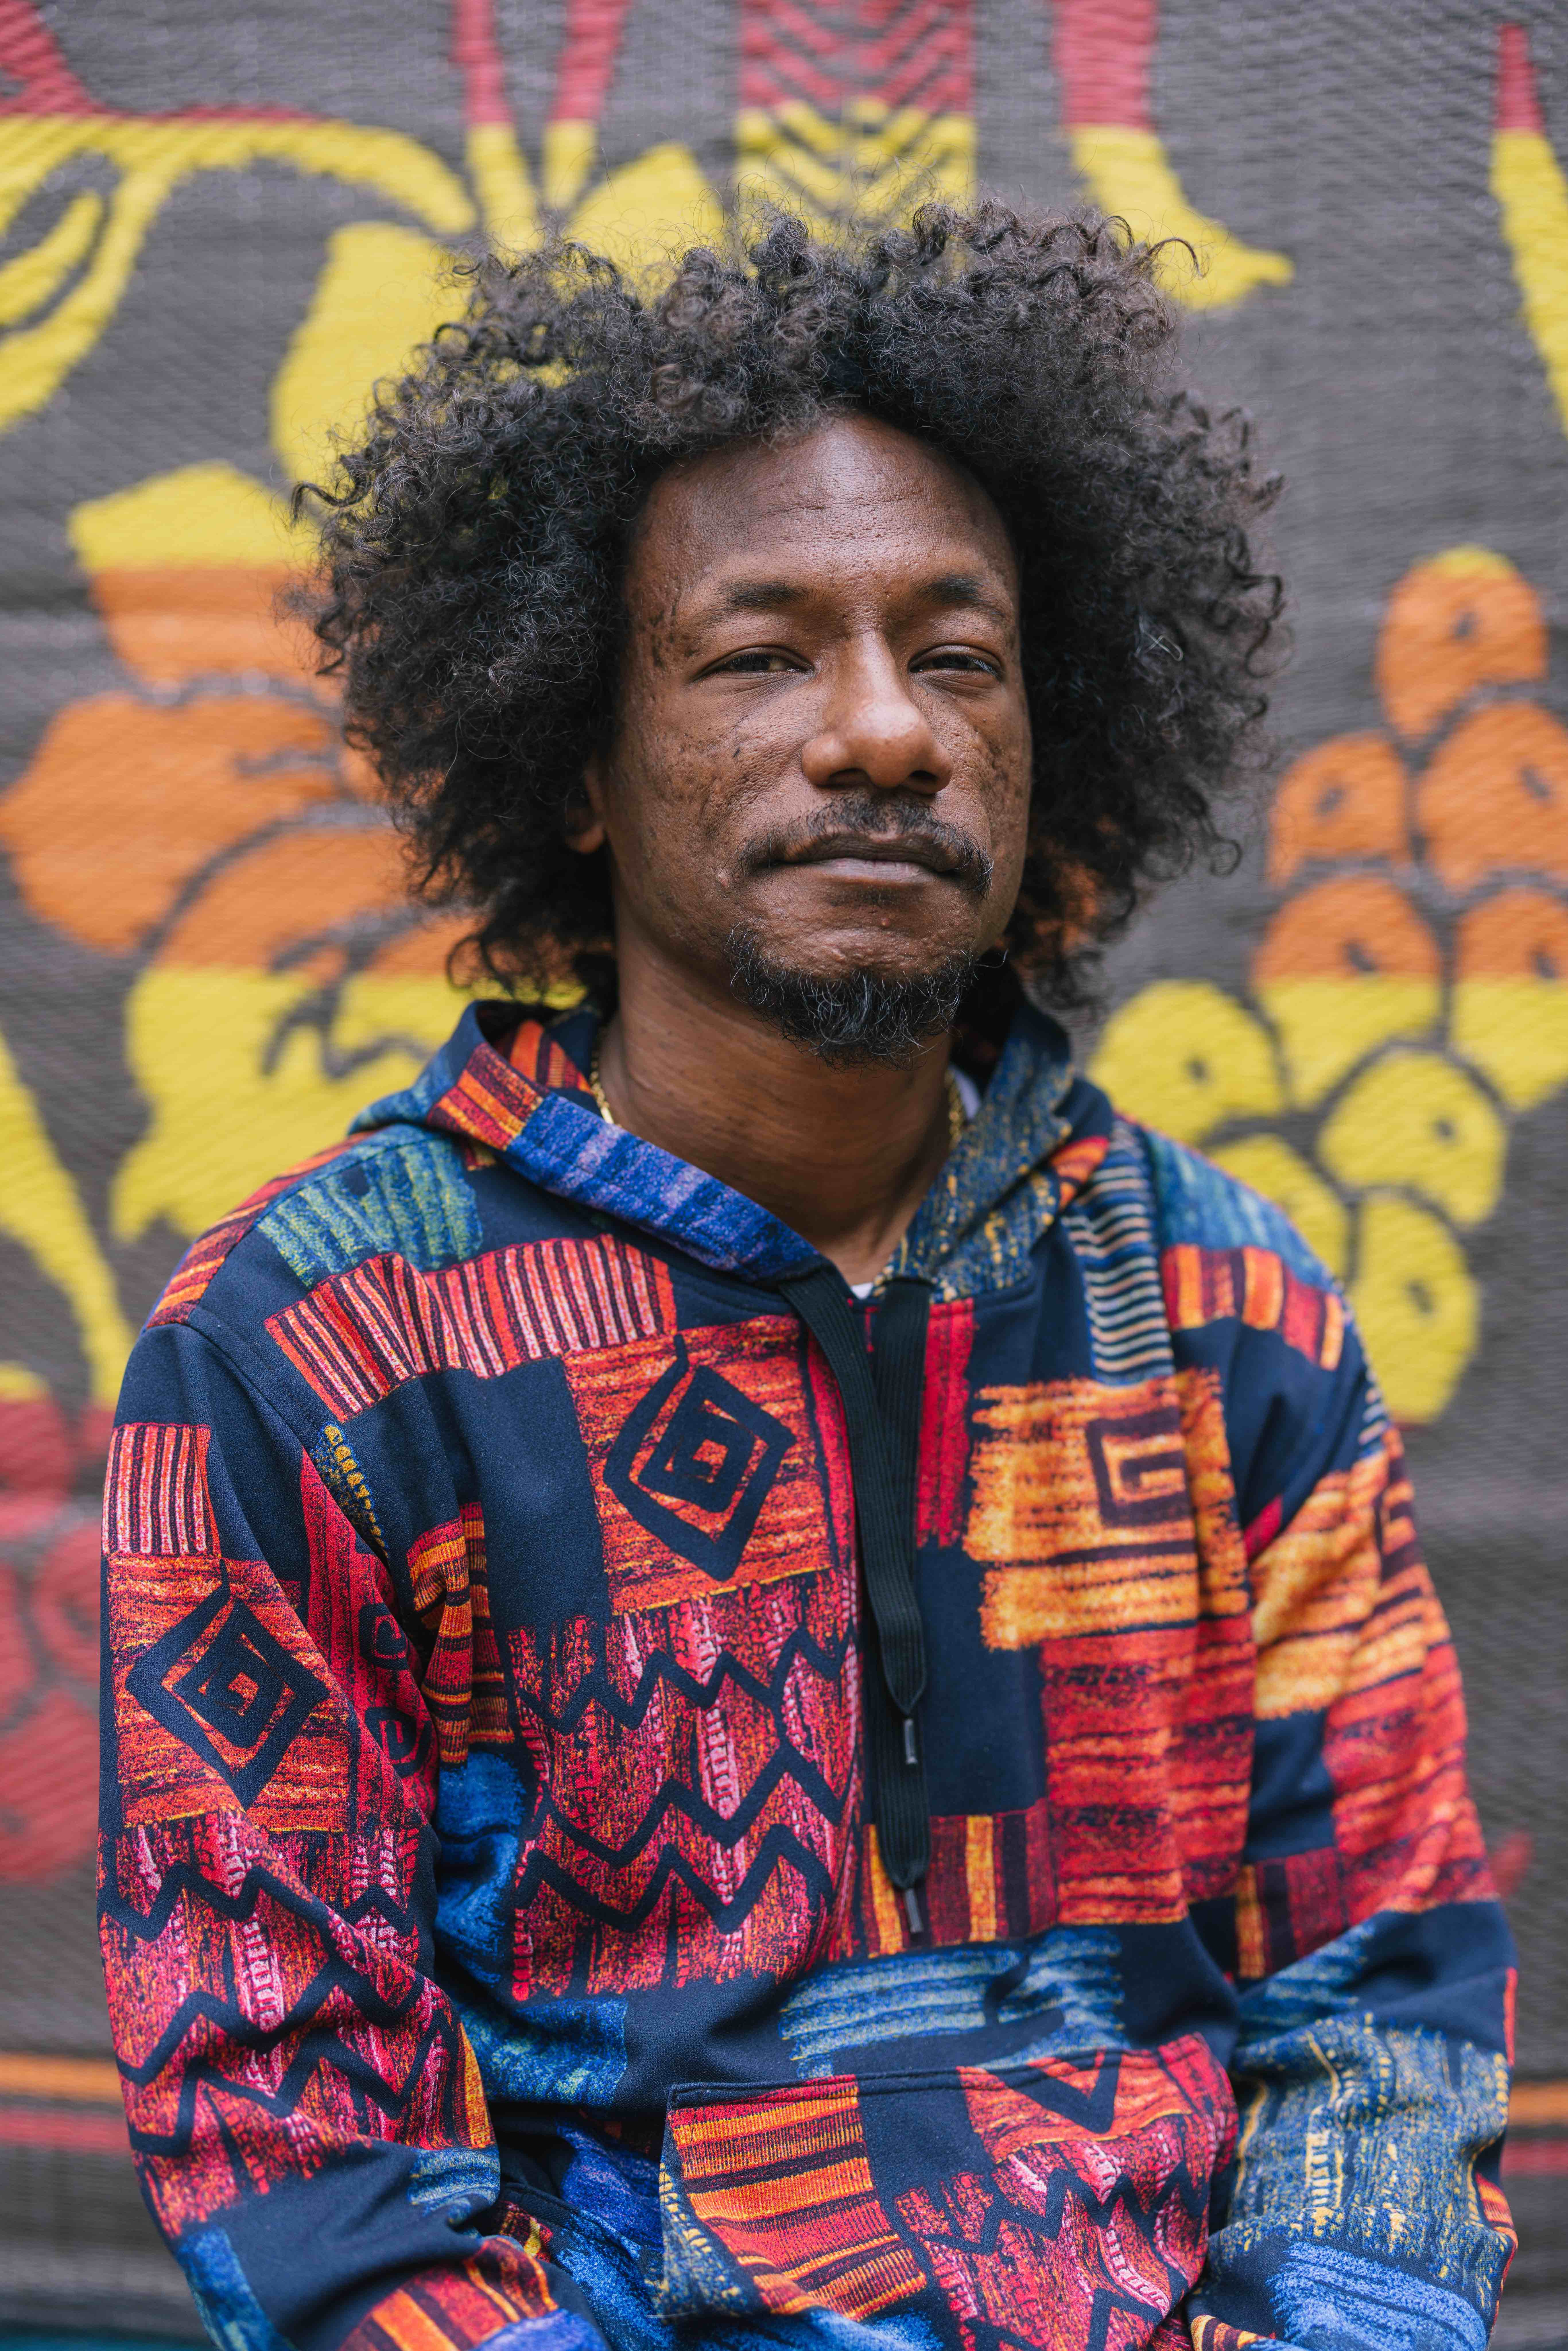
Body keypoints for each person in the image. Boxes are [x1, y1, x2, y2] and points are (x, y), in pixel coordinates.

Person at [99, 207, 1515, 2351]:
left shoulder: (1226, 1311)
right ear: (578, 762)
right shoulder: (314, 1350)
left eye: (957, 657)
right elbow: (291, 2136)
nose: (881, 733)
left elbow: (1384, 2003)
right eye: (760, 654)